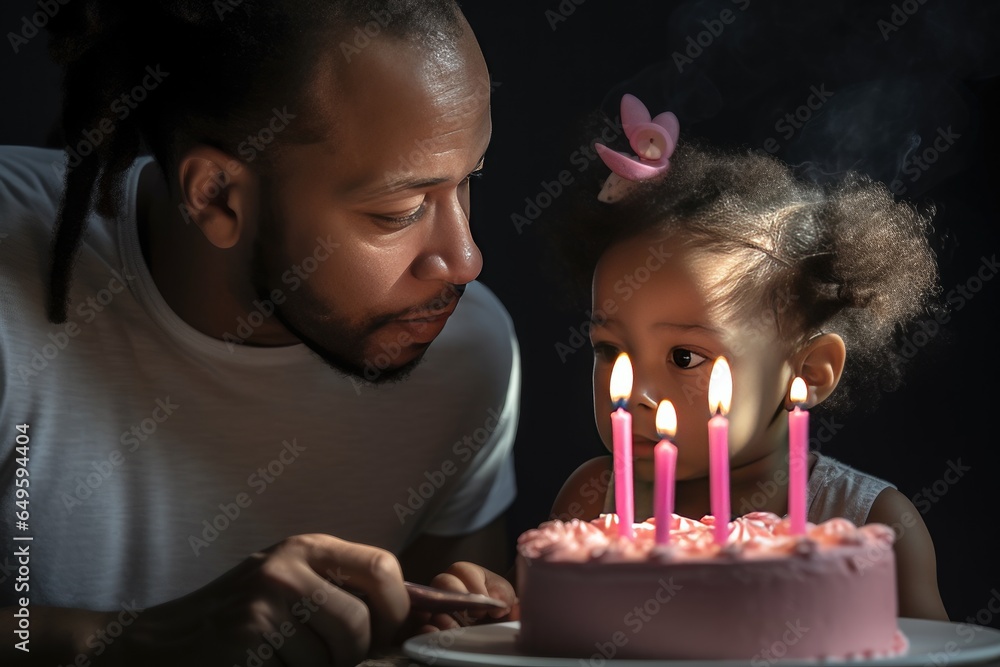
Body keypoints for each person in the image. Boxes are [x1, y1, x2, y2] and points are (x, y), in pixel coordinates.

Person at [0, 1, 519, 664]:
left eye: (468, 180)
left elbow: (433, 643)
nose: (465, 259)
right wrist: (132, 640)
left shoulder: (467, 355)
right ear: (217, 195)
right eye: (400, 210)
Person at [542, 93, 949, 621]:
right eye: (611, 349)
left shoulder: (871, 525)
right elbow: (532, 630)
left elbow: (941, 653)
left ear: (809, 370)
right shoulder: (594, 498)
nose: (637, 393)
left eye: (685, 357)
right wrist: (484, 604)